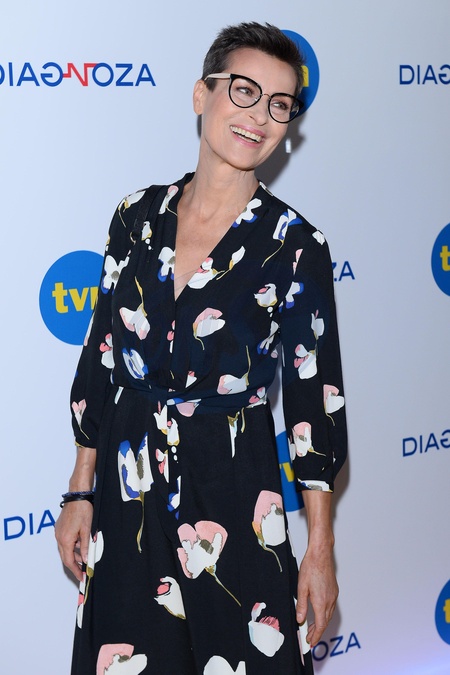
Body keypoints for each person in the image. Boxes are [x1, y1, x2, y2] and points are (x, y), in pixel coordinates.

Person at [55, 21, 347, 675]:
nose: (259, 116)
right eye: (244, 91)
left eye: (279, 104)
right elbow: (102, 356)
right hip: (129, 487)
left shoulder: (296, 247)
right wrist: (80, 491)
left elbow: (313, 404)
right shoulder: (135, 216)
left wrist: (320, 548)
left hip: (234, 486)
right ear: (201, 95)